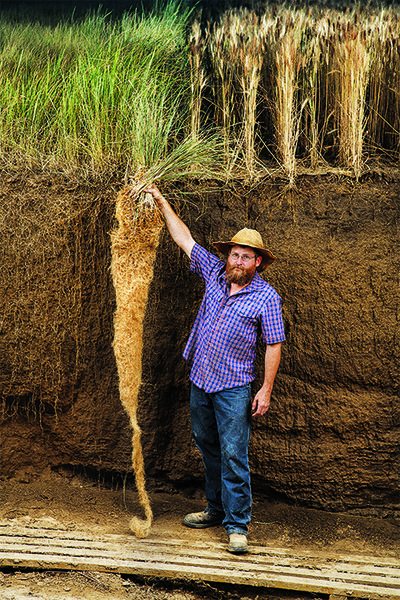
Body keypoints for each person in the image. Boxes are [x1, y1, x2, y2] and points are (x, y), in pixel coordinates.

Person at [144, 184, 285, 554]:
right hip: (200, 381)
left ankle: (238, 526)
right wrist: (160, 201)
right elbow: (183, 238)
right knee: (207, 445)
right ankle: (215, 509)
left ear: (258, 263)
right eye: (234, 255)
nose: (237, 261)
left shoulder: (267, 298)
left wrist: (266, 389)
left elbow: (274, 345)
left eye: (245, 257)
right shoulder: (213, 274)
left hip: (234, 388)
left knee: (234, 452)